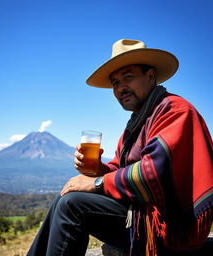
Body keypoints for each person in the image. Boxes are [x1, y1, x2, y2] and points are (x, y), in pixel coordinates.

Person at [27, 39, 213, 256]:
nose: (120, 88)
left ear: (150, 76)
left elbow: (153, 172)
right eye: (115, 82)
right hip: (142, 214)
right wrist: (98, 169)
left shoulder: (175, 111)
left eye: (128, 77)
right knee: (66, 196)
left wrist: (97, 182)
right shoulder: (137, 122)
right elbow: (120, 170)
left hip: (169, 228)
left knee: (72, 205)